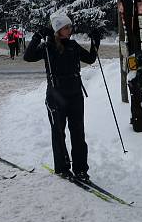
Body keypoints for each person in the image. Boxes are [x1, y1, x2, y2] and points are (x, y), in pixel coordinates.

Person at [23, 13, 101, 180]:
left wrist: (96, 41)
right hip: (55, 95)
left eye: (70, 27)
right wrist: (37, 36)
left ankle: (81, 169)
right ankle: (62, 167)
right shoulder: (48, 46)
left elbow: (90, 59)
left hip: (75, 94)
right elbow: (28, 57)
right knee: (58, 133)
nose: (70, 30)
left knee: (78, 133)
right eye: (67, 27)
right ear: (58, 30)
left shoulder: (73, 45)